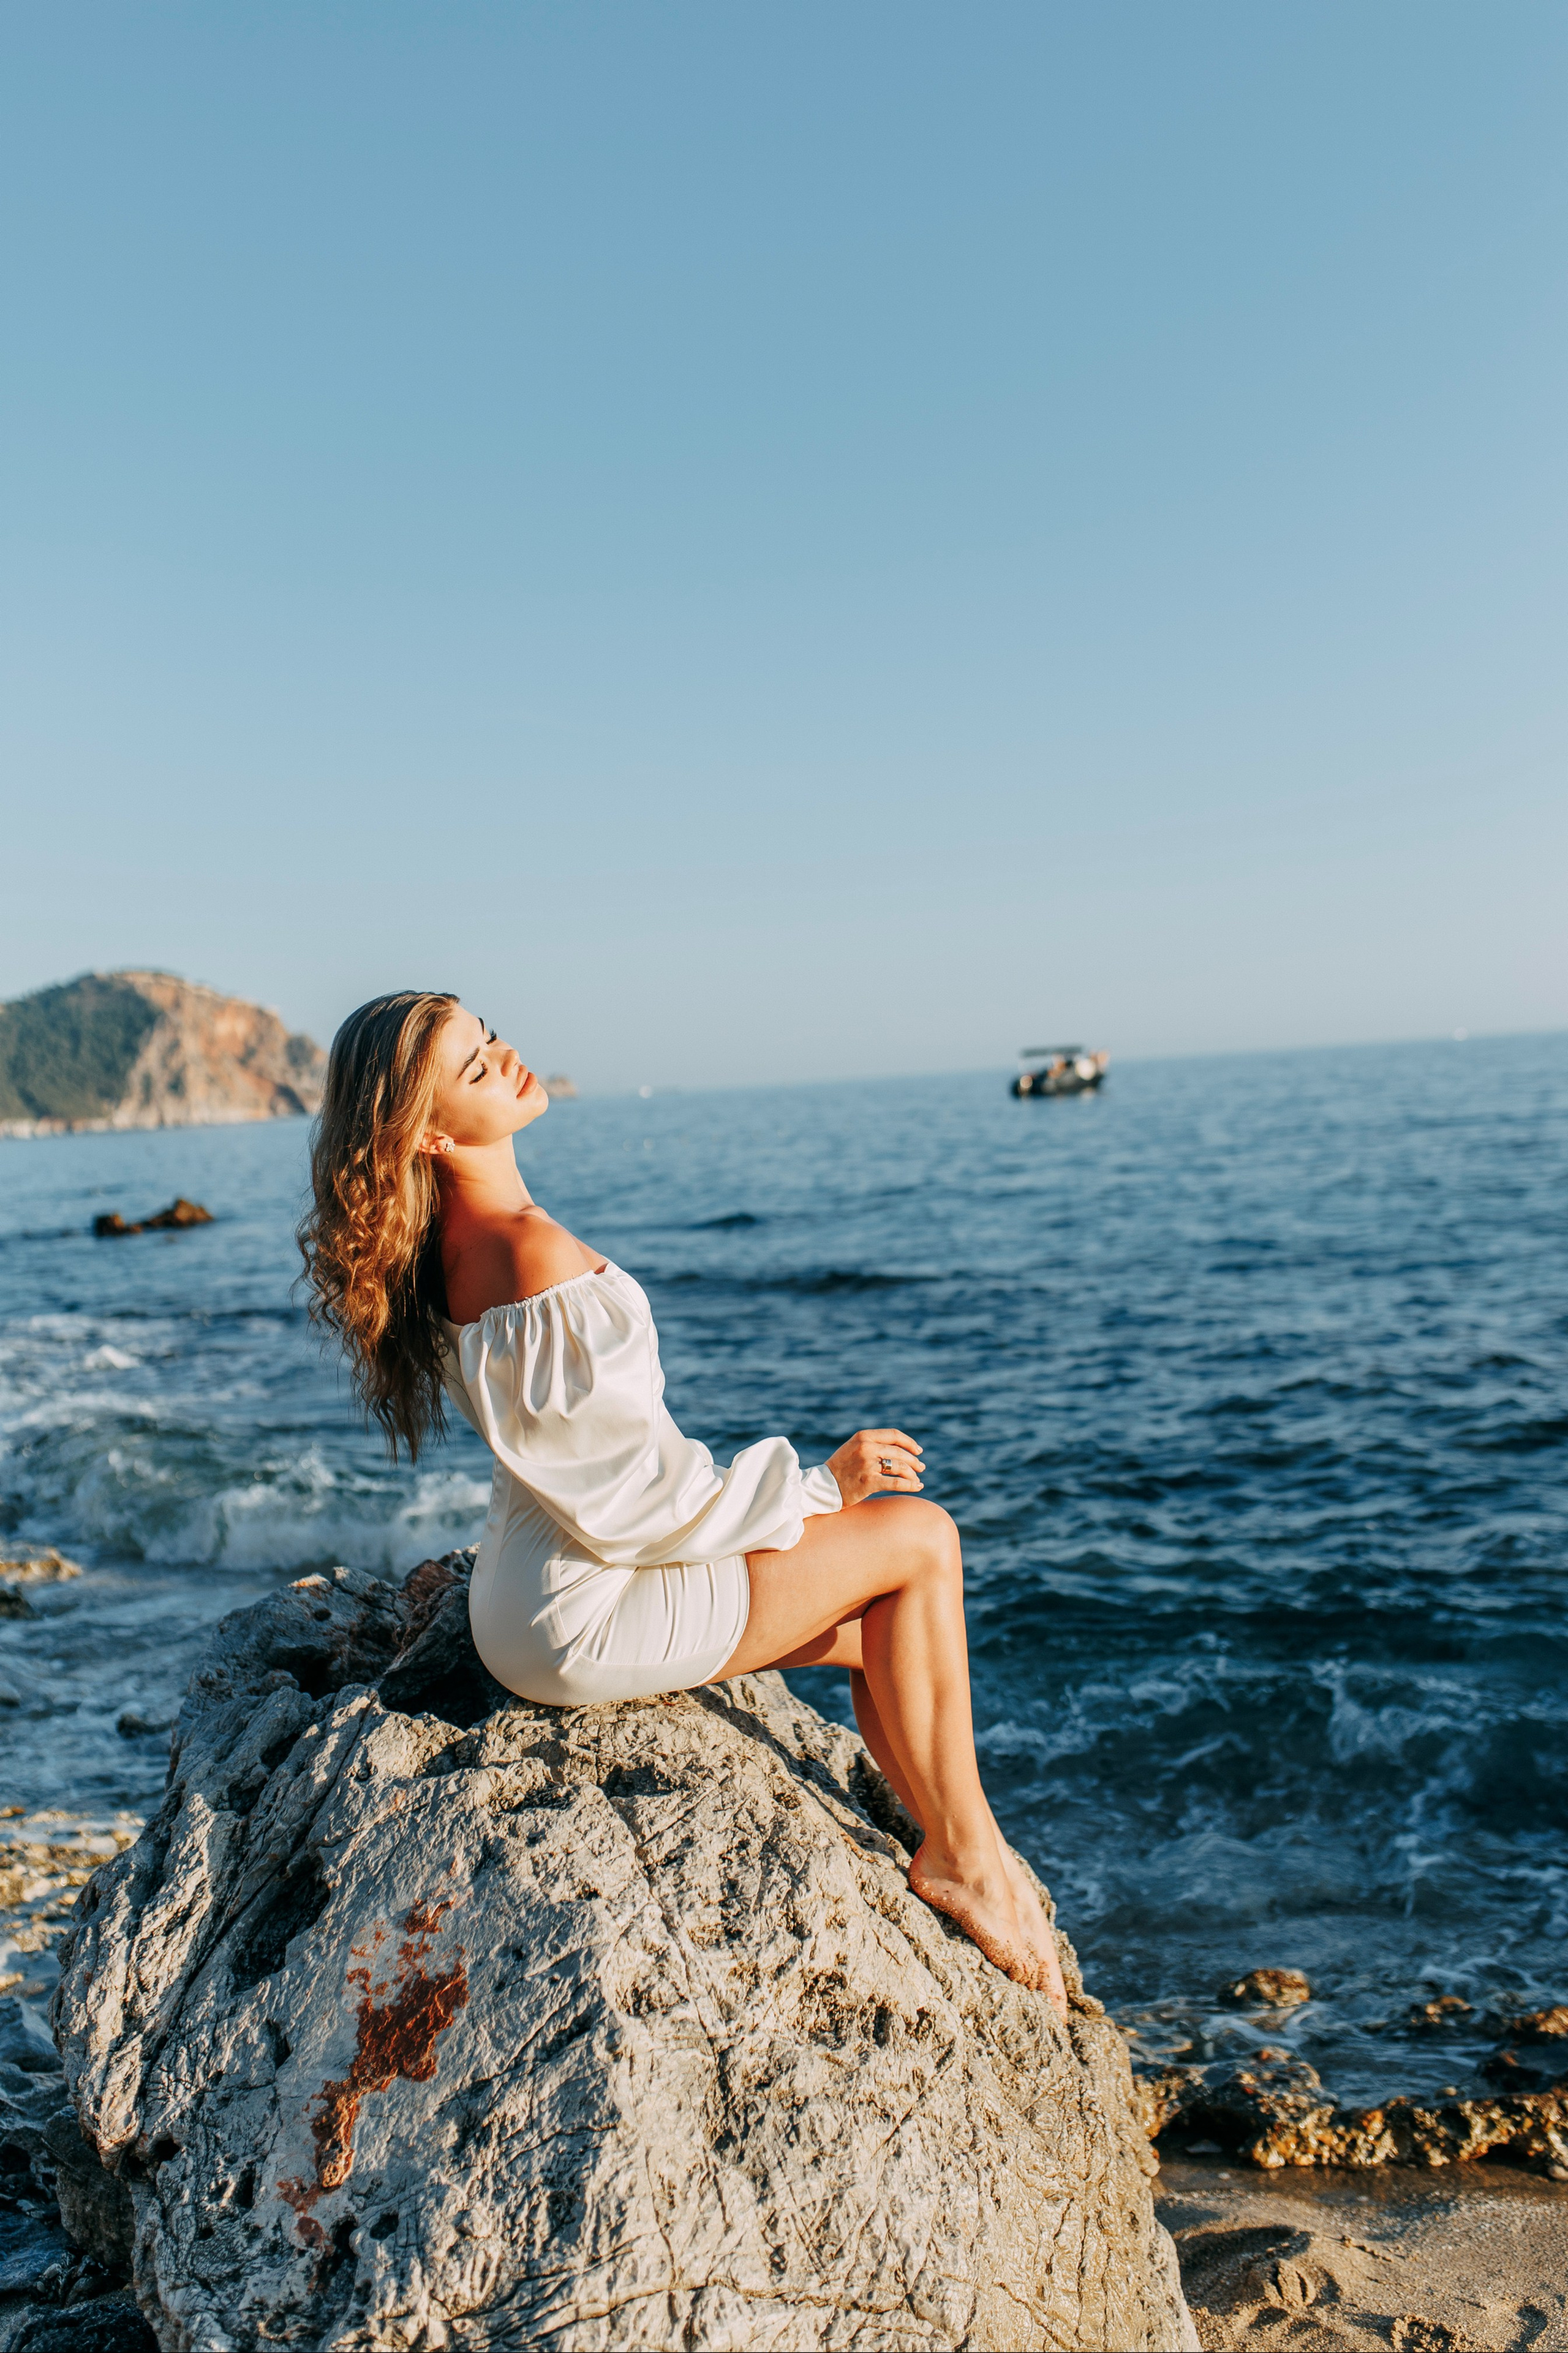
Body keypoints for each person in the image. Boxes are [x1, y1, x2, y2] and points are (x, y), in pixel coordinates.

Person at [298, 989, 1066, 2007]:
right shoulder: (529, 1255)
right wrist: (815, 1486)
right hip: (585, 1607)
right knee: (921, 1539)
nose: (508, 1054)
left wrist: (798, 1507)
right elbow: (641, 1503)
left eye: (488, 1036)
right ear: (431, 1130)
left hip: (534, 1598)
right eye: (476, 1067)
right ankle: (969, 1861)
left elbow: (604, 1484)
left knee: (877, 1621)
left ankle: (956, 1833)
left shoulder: (454, 1248)